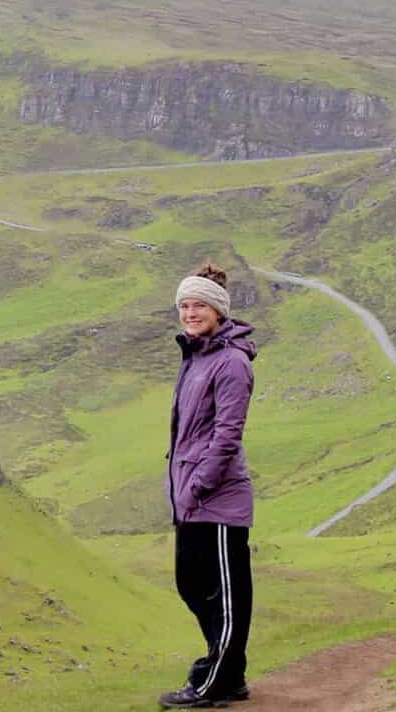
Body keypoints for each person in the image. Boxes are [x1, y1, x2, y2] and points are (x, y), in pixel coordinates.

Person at [159, 264, 257, 709]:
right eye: (184, 305)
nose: (190, 313)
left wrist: (198, 484)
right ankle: (229, 673)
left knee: (228, 594)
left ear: (218, 310)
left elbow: (227, 433)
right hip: (191, 498)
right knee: (190, 585)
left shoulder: (231, 362)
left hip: (217, 500)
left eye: (199, 305)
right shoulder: (196, 357)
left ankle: (213, 681)